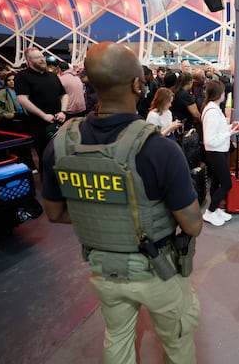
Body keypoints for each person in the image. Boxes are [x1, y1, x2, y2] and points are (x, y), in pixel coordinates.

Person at [41, 42, 202, 364]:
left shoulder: (60, 144)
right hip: (158, 270)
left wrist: (103, 211)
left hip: (104, 270)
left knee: (117, 338)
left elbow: (55, 213)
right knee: (177, 341)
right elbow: (192, 224)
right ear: (138, 85)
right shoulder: (159, 149)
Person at [15, 47, 69, 167]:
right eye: (37, 58)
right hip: (39, 125)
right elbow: (22, 99)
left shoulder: (52, 76)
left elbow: (64, 95)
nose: (42, 60)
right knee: (46, 158)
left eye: (42, 57)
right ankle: (47, 184)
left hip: (59, 121)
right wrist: (43, 115)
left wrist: (63, 111)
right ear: (29, 61)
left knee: (62, 155)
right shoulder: (22, 76)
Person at [201, 80, 239, 226]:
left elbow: (218, 130)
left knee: (217, 182)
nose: (225, 95)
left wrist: (230, 127)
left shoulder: (213, 108)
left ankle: (215, 209)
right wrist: (229, 132)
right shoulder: (211, 111)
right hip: (215, 152)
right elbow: (210, 139)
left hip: (219, 151)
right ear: (219, 94)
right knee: (226, 184)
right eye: (224, 92)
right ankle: (210, 212)